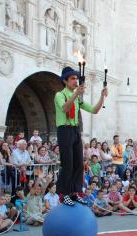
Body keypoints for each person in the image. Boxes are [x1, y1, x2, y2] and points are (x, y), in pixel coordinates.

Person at [54, 66, 107, 206]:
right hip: (64, 130)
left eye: (76, 78)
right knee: (68, 164)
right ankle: (63, 194)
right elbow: (65, 108)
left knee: (78, 164)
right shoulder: (60, 95)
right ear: (65, 81)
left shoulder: (77, 98)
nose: (75, 81)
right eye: (72, 78)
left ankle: (74, 193)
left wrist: (102, 96)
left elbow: (94, 110)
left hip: (76, 131)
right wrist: (76, 93)